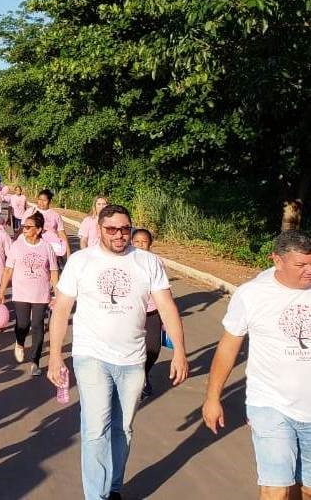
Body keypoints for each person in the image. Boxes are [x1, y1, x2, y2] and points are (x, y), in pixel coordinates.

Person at [48, 204, 189, 500]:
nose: (119, 235)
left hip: (132, 359)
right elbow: (61, 309)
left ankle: (112, 487)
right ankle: (95, 496)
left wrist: (180, 353)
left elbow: (166, 307)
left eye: (125, 229)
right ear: (98, 229)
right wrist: (55, 355)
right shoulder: (81, 261)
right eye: (111, 229)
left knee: (122, 429)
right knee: (96, 428)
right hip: (91, 356)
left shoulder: (147, 262)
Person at [203, 230, 311, 500]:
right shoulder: (252, 295)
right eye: (301, 265)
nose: (308, 271)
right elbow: (228, 347)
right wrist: (212, 398)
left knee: (305, 490)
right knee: (276, 490)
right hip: (270, 403)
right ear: (277, 260)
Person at [0, 211, 59, 375]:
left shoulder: (47, 247)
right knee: (23, 324)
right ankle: (20, 342)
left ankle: (35, 361)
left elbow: (53, 271)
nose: (24, 229)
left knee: (38, 325)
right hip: (21, 292)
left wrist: (56, 294)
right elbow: (8, 269)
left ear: (38, 230)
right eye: (24, 226)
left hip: (41, 293)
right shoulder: (17, 245)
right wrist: (1, 291)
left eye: (28, 227)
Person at [130, 228, 161, 397]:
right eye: (137, 242)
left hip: (152, 311)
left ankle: (143, 374)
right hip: (131, 312)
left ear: (150, 244)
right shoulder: (125, 261)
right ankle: (135, 380)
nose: (141, 245)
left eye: (144, 242)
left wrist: (166, 318)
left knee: (153, 348)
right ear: (131, 243)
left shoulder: (155, 262)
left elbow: (164, 293)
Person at [24, 189, 71, 260]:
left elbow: (62, 234)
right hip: (34, 247)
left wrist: (68, 253)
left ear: (49, 201)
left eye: (44, 200)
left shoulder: (56, 215)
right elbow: (24, 230)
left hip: (52, 251)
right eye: (39, 199)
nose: (41, 202)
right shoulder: (30, 212)